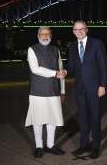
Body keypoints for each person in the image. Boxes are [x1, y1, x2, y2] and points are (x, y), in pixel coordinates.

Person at [66, 20, 107, 159]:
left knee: (95, 118)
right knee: (82, 118)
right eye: (76, 29)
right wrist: (64, 72)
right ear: (73, 32)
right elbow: (71, 67)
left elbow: (103, 65)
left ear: (87, 29)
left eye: (81, 29)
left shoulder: (96, 43)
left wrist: (103, 85)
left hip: (95, 88)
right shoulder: (72, 46)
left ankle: (96, 147)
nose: (79, 31)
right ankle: (83, 145)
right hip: (79, 89)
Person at [25, 26, 66, 158]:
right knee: (38, 120)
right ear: (38, 36)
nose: (45, 36)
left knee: (52, 119)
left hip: (54, 90)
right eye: (42, 34)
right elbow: (35, 69)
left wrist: (63, 90)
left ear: (51, 35)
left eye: (47, 34)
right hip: (38, 91)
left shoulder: (56, 50)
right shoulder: (32, 49)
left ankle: (50, 145)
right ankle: (38, 146)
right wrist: (54, 74)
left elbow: (61, 69)